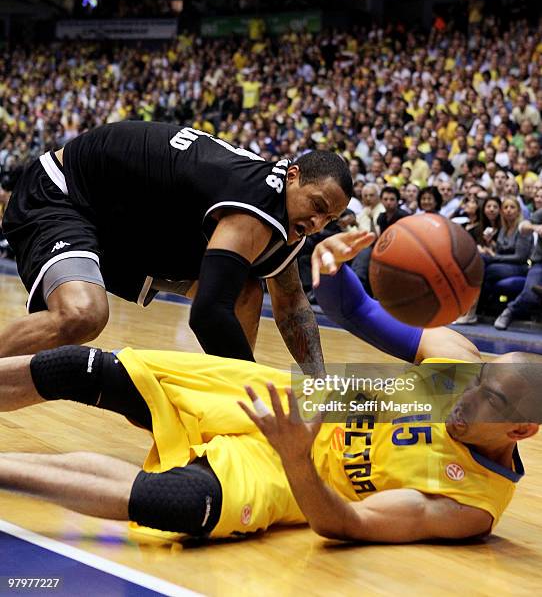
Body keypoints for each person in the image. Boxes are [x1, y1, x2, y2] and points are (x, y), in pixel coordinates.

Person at [1, 234, 540, 543]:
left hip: (294, 472)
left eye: (487, 400)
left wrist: (297, 457)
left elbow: (345, 522)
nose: (466, 395)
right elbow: (354, 310)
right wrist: (332, 265)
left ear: (521, 428)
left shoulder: (472, 502)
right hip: (284, 396)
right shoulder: (458, 362)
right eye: (477, 382)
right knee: (86, 369)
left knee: (178, 503)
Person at [1, 122, 351, 374]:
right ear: (292, 177)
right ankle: (236, 404)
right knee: (82, 315)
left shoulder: (283, 215)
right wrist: (253, 389)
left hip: (127, 224)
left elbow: (290, 304)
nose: (319, 223)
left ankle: (226, 415)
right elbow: (208, 315)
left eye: (329, 219)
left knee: (244, 289)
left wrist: (319, 387)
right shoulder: (255, 203)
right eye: (318, 206)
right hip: (66, 192)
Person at [494, 207, 542, 330]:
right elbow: (523, 227)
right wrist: (536, 228)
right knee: (531, 293)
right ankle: (510, 311)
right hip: (539, 263)